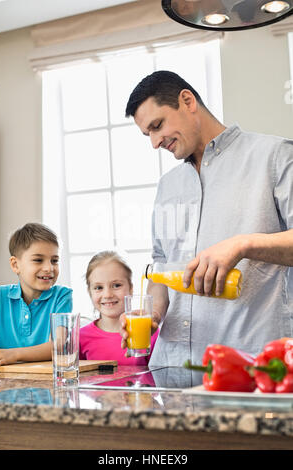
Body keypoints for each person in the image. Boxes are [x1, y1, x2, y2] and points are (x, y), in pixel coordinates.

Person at [120, 70, 293, 369]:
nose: (155, 142)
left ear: (187, 101)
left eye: (157, 126)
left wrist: (243, 244)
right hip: (171, 370)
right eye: (147, 134)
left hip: (248, 369)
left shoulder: (274, 156)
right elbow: (161, 265)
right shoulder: (167, 186)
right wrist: (154, 314)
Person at [0, 223, 72, 370]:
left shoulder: (62, 296)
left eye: (54, 260)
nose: (49, 268)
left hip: (48, 384)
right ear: (15, 265)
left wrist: (12, 355)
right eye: (38, 260)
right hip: (7, 384)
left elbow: (58, 345)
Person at [79, 251, 158, 365]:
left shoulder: (150, 332)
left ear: (131, 288)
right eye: (98, 287)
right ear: (89, 292)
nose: (107, 294)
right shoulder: (80, 338)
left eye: (116, 285)